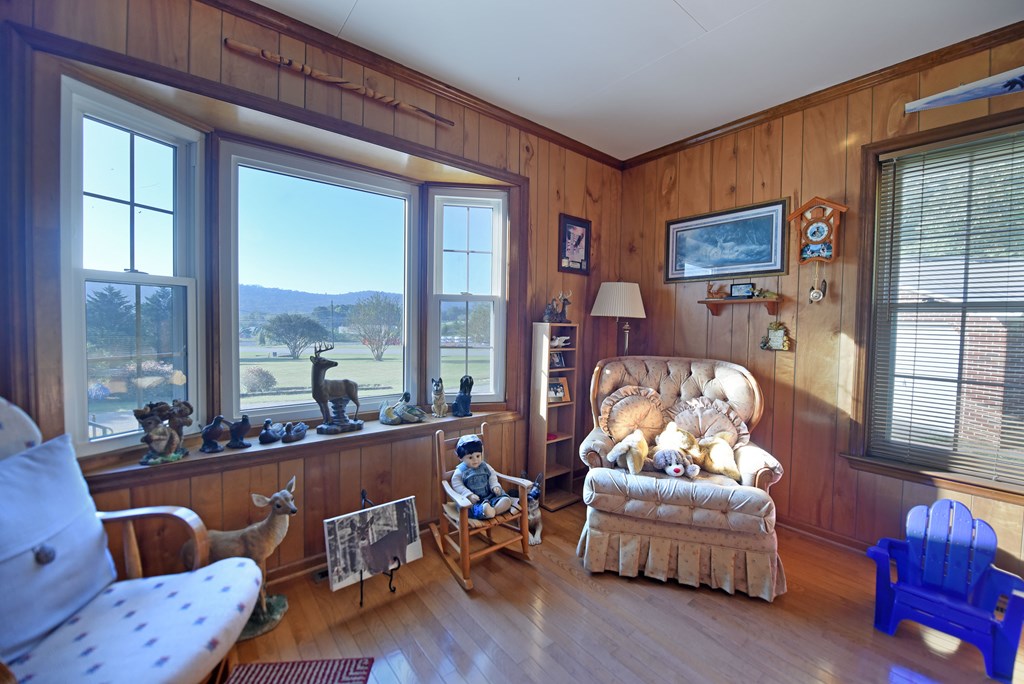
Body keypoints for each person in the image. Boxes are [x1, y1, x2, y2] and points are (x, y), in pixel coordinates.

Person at [451, 434, 513, 519]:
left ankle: (493, 510)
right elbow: (457, 484)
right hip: (474, 502)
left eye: (478, 456)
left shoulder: (485, 466)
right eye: (470, 457)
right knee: (474, 509)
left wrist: (494, 485)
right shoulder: (461, 471)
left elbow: (492, 475)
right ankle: (486, 510)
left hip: (490, 496)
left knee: (506, 500)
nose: (475, 460)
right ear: (460, 458)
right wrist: (468, 495)